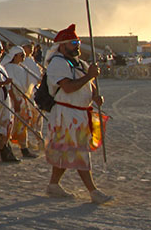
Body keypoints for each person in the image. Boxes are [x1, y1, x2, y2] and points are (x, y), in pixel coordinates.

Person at [43, 25, 112, 203]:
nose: (77, 46)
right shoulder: (58, 63)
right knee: (80, 152)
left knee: (66, 152)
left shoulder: (79, 63)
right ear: (62, 45)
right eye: (73, 43)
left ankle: (53, 185)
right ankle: (93, 191)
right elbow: (68, 87)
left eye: (78, 42)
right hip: (67, 114)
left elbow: (89, 84)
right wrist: (89, 77)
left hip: (79, 113)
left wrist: (95, 95)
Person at [3, 46, 40, 158]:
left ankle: (23, 148)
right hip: (13, 99)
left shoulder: (22, 68)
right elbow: (9, 86)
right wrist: (15, 100)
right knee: (10, 124)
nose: (24, 57)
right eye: (21, 55)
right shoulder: (8, 68)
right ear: (14, 56)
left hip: (22, 99)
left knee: (22, 124)